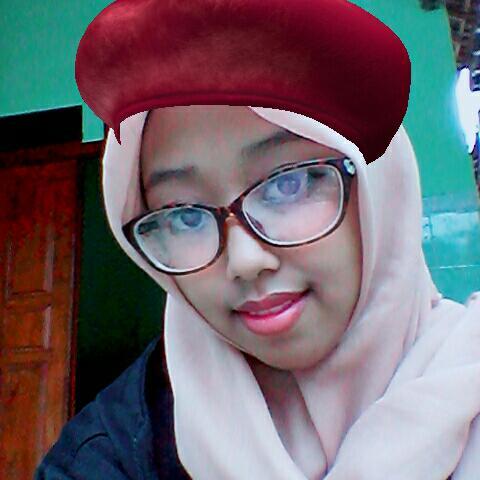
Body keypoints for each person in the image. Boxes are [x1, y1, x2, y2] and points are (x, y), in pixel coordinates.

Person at [36, 1, 480, 479]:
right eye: (183, 215)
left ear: (379, 188)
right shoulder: (107, 457)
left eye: (288, 184)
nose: (245, 260)